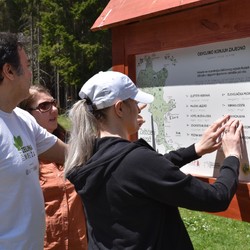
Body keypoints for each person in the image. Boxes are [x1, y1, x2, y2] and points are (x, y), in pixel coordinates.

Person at [64, 71, 243, 250]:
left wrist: (195, 150)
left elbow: (146, 173)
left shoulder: (88, 155)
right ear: (119, 108)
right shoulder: (135, 161)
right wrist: (233, 156)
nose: (138, 107)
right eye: (133, 101)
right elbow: (215, 198)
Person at [0, 32, 67, 249]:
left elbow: (70, 154)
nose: (31, 73)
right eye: (27, 65)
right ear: (9, 71)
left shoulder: (23, 119)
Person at [19, 85, 87, 249]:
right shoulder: (24, 156)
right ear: (26, 114)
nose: (54, 110)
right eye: (44, 106)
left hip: (79, 244)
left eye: (54, 103)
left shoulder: (74, 143)